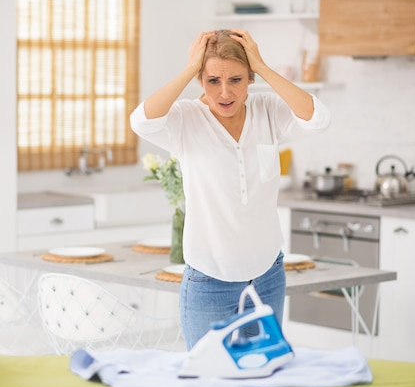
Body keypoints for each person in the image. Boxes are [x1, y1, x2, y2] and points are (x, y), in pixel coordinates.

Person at [130, 29, 331, 351]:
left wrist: (262, 66)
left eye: (236, 80)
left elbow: (318, 119)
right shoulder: (185, 119)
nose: (225, 93)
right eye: (212, 81)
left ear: (249, 79)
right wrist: (188, 68)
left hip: (267, 276)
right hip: (209, 280)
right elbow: (141, 122)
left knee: (258, 383)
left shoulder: (268, 112)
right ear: (200, 80)